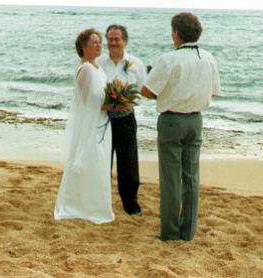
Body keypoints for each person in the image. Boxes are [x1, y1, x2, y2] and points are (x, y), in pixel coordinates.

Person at [141, 13, 221, 240]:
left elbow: (148, 91)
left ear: (176, 33)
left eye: (172, 30)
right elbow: (213, 90)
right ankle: (188, 231)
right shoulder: (208, 58)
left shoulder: (169, 59)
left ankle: (169, 231)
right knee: (191, 176)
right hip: (195, 120)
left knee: (171, 178)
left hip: (172, 120)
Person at [54, 28, 114, 224]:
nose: (99, 45)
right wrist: (110, 104)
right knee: (92, 160)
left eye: (99, 42)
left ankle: (93, 204)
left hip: (101, 121)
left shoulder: (97, 67)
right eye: (94, 42)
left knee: (100, 162)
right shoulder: (86, 69)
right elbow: (90, 101)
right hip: (91, 123)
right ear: (83, 46)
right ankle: (83, 206)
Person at [97, 25, 146, 216]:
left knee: (128, 163)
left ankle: (130, 204)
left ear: (125, 40)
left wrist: (127, 103)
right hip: (103, 119)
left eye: (116, 39)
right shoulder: (99, 63)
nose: (113, 42)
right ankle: (102, 200)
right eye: (110, 38)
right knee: (102, 160)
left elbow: (142, 91)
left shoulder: (136, 64)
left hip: (126, 118)